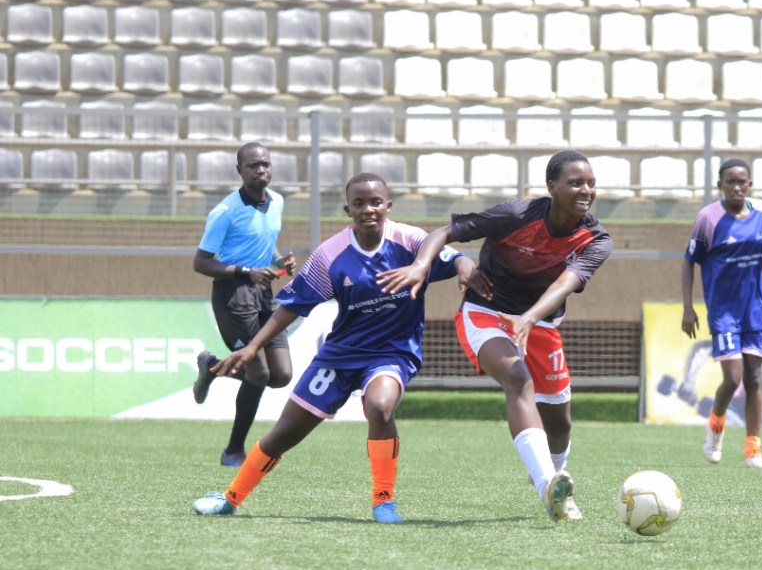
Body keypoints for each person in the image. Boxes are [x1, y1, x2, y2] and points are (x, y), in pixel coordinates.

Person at [192, 173, 475, 523]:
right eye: (359, 203)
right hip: (340, 355)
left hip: (392, 352)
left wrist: (465, 269)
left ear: (388, 206)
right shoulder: (331, 254)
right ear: (348, 209)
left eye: (375, 202)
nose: (368, 209)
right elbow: (291, 307)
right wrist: (252, 347)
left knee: (380, 406)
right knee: (285, 434)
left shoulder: (410, 240)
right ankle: (230, 498)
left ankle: (384, 501)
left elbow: (458, 258)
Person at [376, 150, 613, 522]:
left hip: (541, 324)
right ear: (552, 187)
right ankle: (548, 488)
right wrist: (421, 266)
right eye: (575, 182)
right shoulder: (515, 215)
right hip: (486, 311)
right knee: (517, 379)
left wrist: (531, 318)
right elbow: (443, 232)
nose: (585, 190)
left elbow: (568, 281)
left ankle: (556, 477)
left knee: (560, 421)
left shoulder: (596, 239)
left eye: (591, 183)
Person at [681, 158, 762, 469]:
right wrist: (688, 306)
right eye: (730, 182)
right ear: (720, 185)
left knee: (753, 379)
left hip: (755, 310)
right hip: (723, 312)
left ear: (749, 185)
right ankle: (716, 423)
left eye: (742, 182)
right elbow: (688, 261)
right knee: (733, 379)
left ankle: (754, 450)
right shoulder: (708, 219)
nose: (736, 187)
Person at [191, 142, 297, 467]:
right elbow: (201, 262)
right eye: (252, 165)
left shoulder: (277, 201)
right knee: (259, 371)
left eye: (264, 164)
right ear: (240, 171)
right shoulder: (224, 212)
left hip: (264, 292)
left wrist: (280, 262)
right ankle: (234, 451)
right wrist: (246, 272)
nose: (260, 169)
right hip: (233, 295)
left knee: (281, 375)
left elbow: (262, 240)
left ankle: (212, 367)